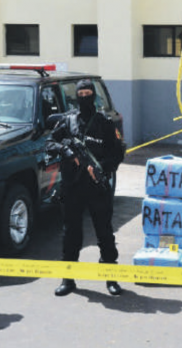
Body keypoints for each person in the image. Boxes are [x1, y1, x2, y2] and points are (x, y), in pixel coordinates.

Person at [47, 80, 125, 297]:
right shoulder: (68, 120)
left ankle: (111, 277)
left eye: (88, 93)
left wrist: (102, 168)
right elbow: (50, 143)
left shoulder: (104, 122)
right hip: (72, 187)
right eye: (80, 94)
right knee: (71, 234)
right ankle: (68, 279)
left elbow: (118, 153)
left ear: (94, 96)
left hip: (97, 187)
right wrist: (66, 151)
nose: (84, 98)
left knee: (105, 233)